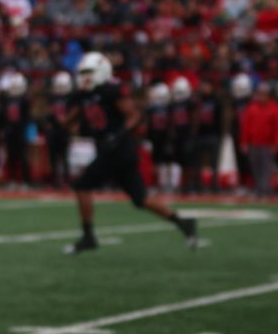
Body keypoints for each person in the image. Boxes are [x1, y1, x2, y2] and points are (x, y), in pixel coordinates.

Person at [64, 52, 198, 255]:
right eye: (82, 73)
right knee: (140, 199)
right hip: (111, 150)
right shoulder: (83, 95)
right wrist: (61, 125)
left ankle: (88, 236)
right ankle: (183, 222)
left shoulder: (111, 91)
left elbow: (134, 115)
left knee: (82, 185)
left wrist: (117, 136)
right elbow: (73, 120)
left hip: (119, 150)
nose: (85, 76)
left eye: (89, 72)